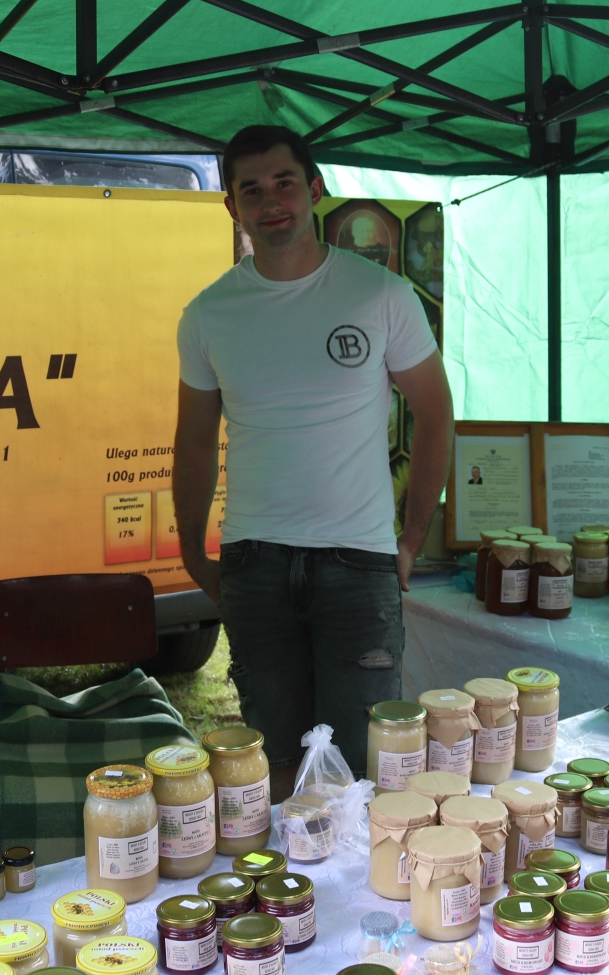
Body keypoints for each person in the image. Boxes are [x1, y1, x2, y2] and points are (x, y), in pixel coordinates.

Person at [172, 125, 454, 797]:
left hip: (358, 563)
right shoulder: (208, 314)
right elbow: (193, 441)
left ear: (316, 189)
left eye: (284, 183)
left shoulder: (381, 295)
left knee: (359, 770)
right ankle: (282, 871)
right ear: (231, 207)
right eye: (251, 190)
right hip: (255, 564)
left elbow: (436, 413)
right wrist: (191, 551)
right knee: (272, 767)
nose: (270, 201)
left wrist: (411, 538)